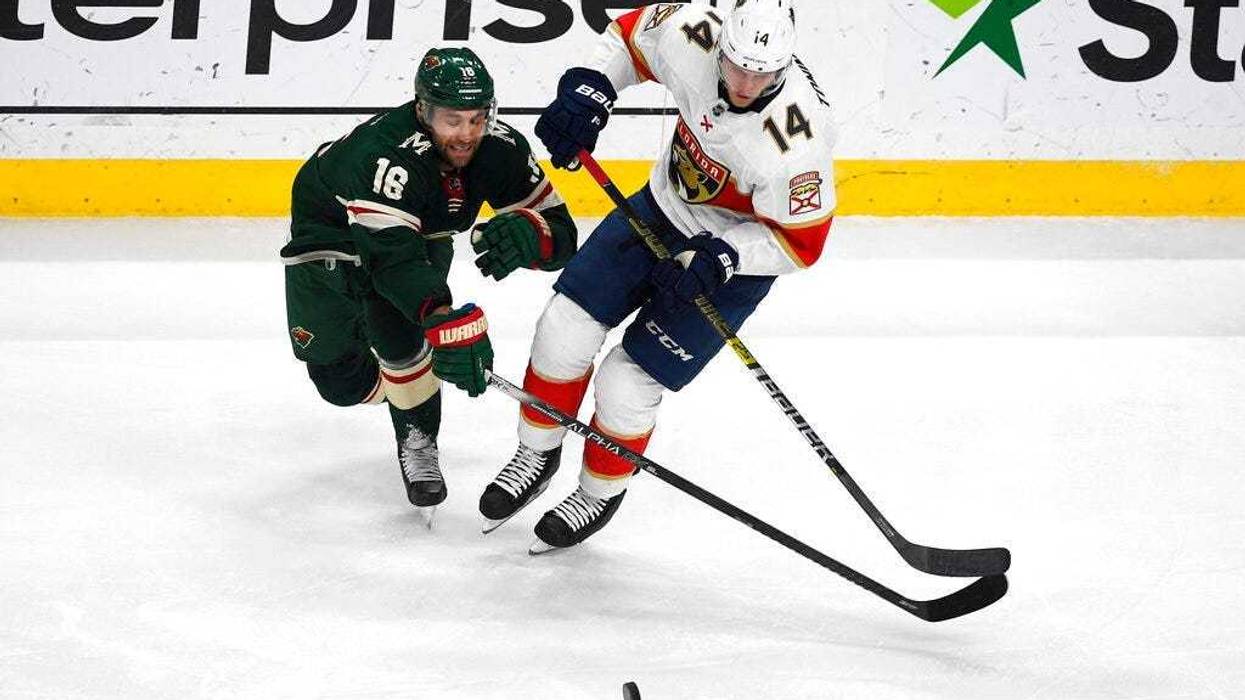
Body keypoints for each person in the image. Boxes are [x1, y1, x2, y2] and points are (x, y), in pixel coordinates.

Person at [478, 0, 837, 552]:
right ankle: (537, 449)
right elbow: (628, 40)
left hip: (730, 261)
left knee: (627, 382)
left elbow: (800, 242)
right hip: (660, 209)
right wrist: (591, 87)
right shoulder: (694, 32)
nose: (744, 82)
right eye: (736, 64)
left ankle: (598, 491)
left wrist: (725, 257)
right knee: (563, 329)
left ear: (785, 66)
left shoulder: (798, 143)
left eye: (761, 73)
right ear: (722, 43)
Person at [282, 47, 577, 521]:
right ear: (422, 110)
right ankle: (403, 382)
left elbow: (564, 235)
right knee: (337, 383)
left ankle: (416, 432)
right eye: (451, 120)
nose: (466, 134)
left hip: (418, 229)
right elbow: (392, 261)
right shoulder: (386, 154)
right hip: (330, 233)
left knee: (399, 335)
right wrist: (441, 319)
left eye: (478, 119)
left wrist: (535, 235)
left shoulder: (500, 148)